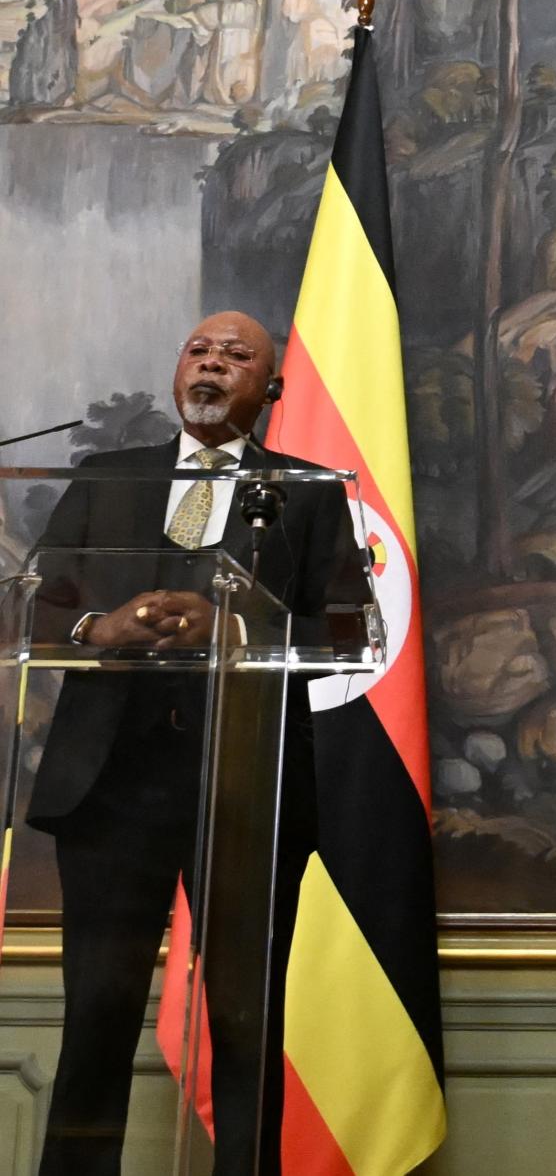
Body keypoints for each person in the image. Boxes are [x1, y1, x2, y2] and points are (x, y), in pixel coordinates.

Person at [28, 312, 367, 1175]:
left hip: (248, 791)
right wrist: (102, 625)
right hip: (108, 787)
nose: (212, 364)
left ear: (270, 389)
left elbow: (347, 635)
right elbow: (32, 604)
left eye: (236, 355)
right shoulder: (107, 480)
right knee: (97, 1014)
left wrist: (233, 623)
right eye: (199, 351)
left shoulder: (310, 491)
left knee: (246, 1022)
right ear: (179, 372)